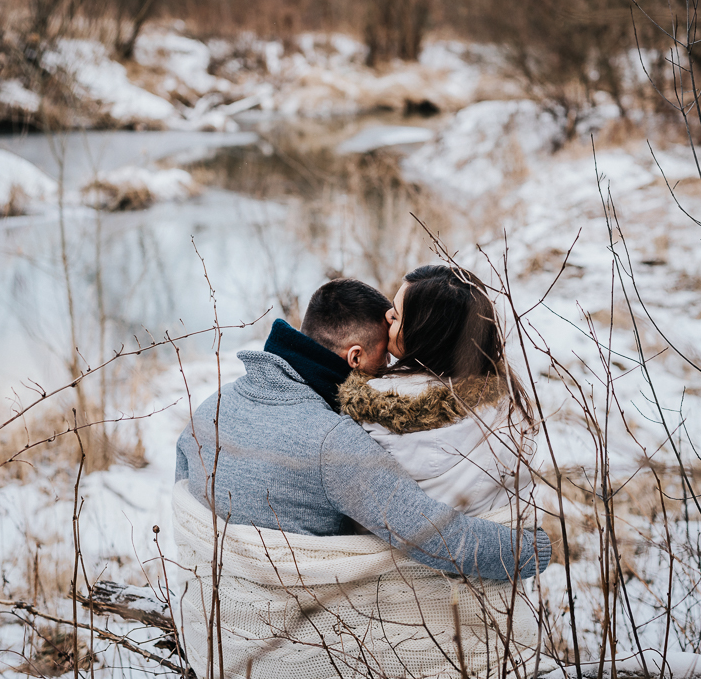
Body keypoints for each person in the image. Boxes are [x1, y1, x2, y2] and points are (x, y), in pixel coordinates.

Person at [171, 276, 551, 679]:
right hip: (282, 656)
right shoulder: (332, 443)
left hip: (210, 637)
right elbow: (436, 537)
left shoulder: (211, 406)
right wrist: (534, 549)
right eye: (384, 360)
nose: (389, 371)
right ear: (354, 358)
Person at [339, 265, 536, 515]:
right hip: (496, 546)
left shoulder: (371, 405)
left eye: (397, 316)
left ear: (423, 335)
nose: (388, 315)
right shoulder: (509, 404)